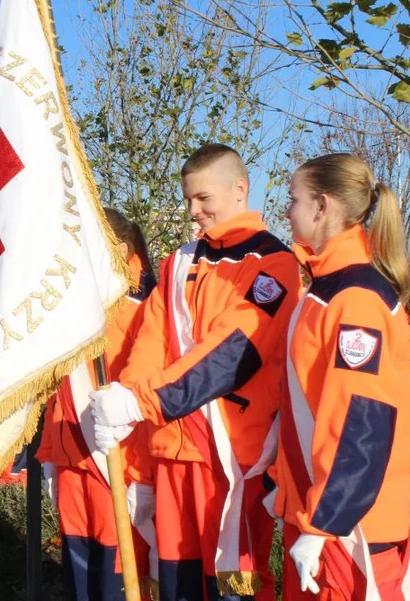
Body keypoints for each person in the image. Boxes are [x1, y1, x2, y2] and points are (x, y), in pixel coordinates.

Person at [90, 143, 301, 600]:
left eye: (204, 198)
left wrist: (138, 402)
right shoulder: (178, 262)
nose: (193, 210)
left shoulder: (275, 264)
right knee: (176, 581)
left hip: (234, 460)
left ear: (239, 189)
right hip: (169, 448)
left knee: (234, 587)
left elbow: (228, 355)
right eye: (188, 199)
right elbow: (149, 345)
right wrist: (129, 423)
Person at [275, 153, 410, 600]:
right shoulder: (329, 288)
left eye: (293, 198)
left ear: (322, 207)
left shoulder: (354, 297)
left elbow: (361, 421)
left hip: (351, 523)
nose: (287, 210)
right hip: (324, 509)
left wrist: (324, 525)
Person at [38, 209, 158, 598]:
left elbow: (145, 395)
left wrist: (144, 477)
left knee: (115, 578)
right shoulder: (71, 310)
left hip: (116, 464)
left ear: (119, 250)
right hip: (71, 458)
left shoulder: (144, 311)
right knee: (80, 575)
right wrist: (51, 453)